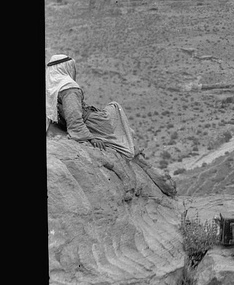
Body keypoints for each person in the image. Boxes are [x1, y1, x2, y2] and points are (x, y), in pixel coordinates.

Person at [45, 54, 176, 196]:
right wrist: (90, 138)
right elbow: (74, 118)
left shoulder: (51, 85)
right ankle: (141, 160)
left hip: (81, 120)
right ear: (66, 68)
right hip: (92, 123)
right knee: (115, 108)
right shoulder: (69, 88)